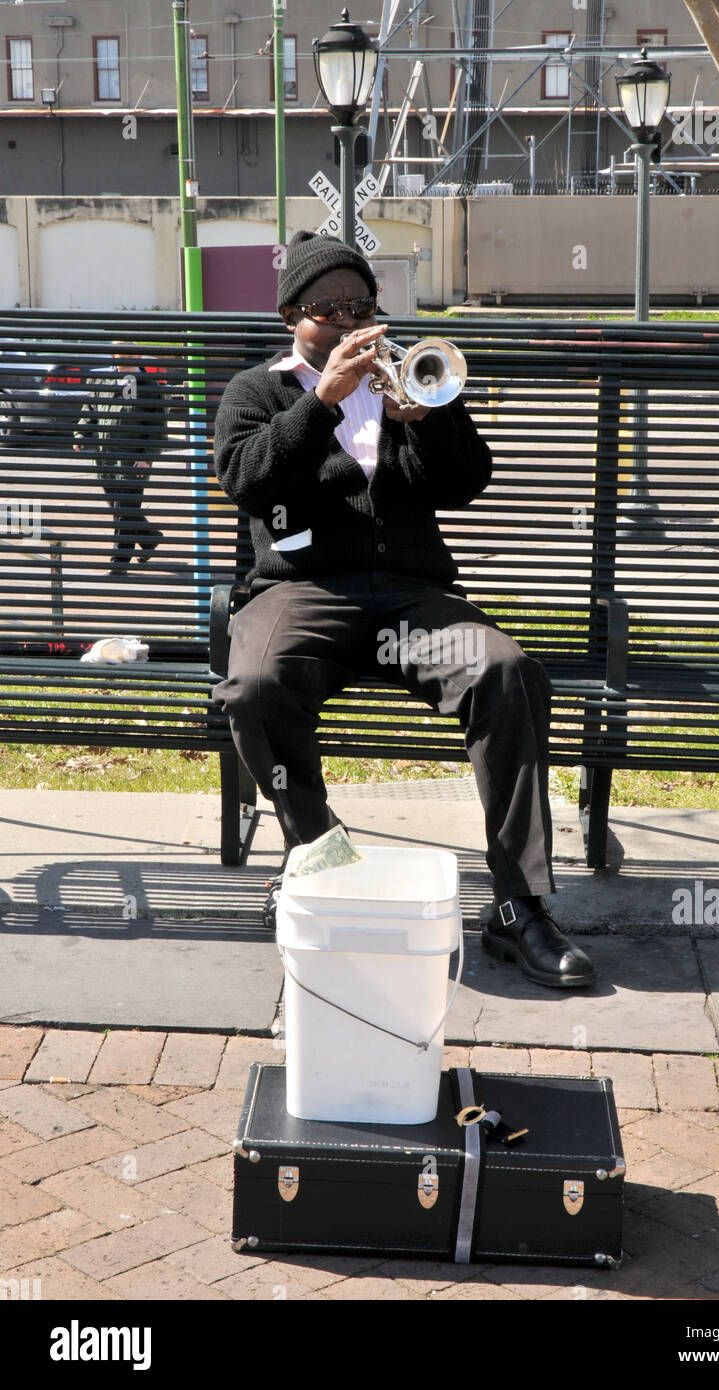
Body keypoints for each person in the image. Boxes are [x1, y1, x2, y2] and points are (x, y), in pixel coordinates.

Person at [212, 230, 595, 989]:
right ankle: (318, 853)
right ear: (293, 314)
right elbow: (246, 480)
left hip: (409, 601)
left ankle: (519, 906)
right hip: (299, 593)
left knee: (506, 672)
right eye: (331, 311)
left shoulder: (407, 389)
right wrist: (321, 403)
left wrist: (430, 419)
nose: (352, 325)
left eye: (362, 307)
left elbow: (464, 484)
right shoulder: (258, 391)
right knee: (253, 691)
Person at [74, 342, 167, 573]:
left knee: (125, 512)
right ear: (114, 356)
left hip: (132, 461)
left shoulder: (150, 387)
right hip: (105, 460)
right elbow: (89, 411)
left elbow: (157, 429)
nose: (125, 359)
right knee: (121, 510)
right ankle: (149, 539)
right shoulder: (100, 382)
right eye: (121, 355)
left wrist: (146, 457)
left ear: (137, 356)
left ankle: (119, 562)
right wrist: (81, 433)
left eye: (130, 355)